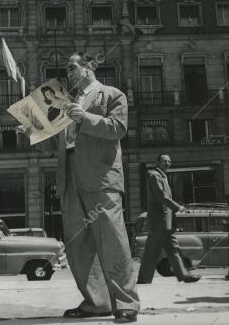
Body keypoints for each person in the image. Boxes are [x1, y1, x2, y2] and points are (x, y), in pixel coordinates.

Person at [56, 52, 140, 323]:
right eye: (67, 70)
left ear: (90, 66)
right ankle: (97, 302)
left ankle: (126, 303)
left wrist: (85, 118)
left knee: (112, 240)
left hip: (101, 176)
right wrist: (32, 131)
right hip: (69, 175)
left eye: (72, 68)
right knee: (77, 244)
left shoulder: (112, 94)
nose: (68, 74)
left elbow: (118, 128)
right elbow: (60, 143)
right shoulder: (65, 102)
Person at [137, 154, 201, 284]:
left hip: (166, 221)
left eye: (169, 161)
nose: (167, 163)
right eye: (164, 161)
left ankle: (184, 275)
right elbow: (162, 197)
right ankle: (144, 279)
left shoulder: (163, 176)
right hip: (159, 221)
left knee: (173, 249)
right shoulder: (155, 176)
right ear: (158, 162)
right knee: (152, 251)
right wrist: (178, 207)